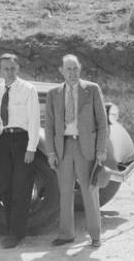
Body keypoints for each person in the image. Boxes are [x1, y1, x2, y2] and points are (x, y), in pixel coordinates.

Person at [44, 54, 109, 248]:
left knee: (90, 191)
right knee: (65, 192)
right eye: (68, 69)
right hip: (63, 147)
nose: (72, 73)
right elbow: (49, 126)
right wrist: (51, 153)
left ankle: (95, 235)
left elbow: (102, 123)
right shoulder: (53, 93)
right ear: (61, 71)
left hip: (86, 147)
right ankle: (66, 234)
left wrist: (100, 150)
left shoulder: (92, 90)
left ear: (80, 70)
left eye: (75, 69)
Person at [0, 53, 41, 249]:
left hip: (22, 140)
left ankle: (17, 233)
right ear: (0, 70)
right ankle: (9, 228)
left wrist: (31, 148)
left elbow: (35, 120)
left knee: (21, 188)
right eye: (5, 68)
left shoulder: (28, 89)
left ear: (18, 68)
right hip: (4, 139)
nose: (9, 72)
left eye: (12, 68)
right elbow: (0, 118)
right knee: (5, 187)